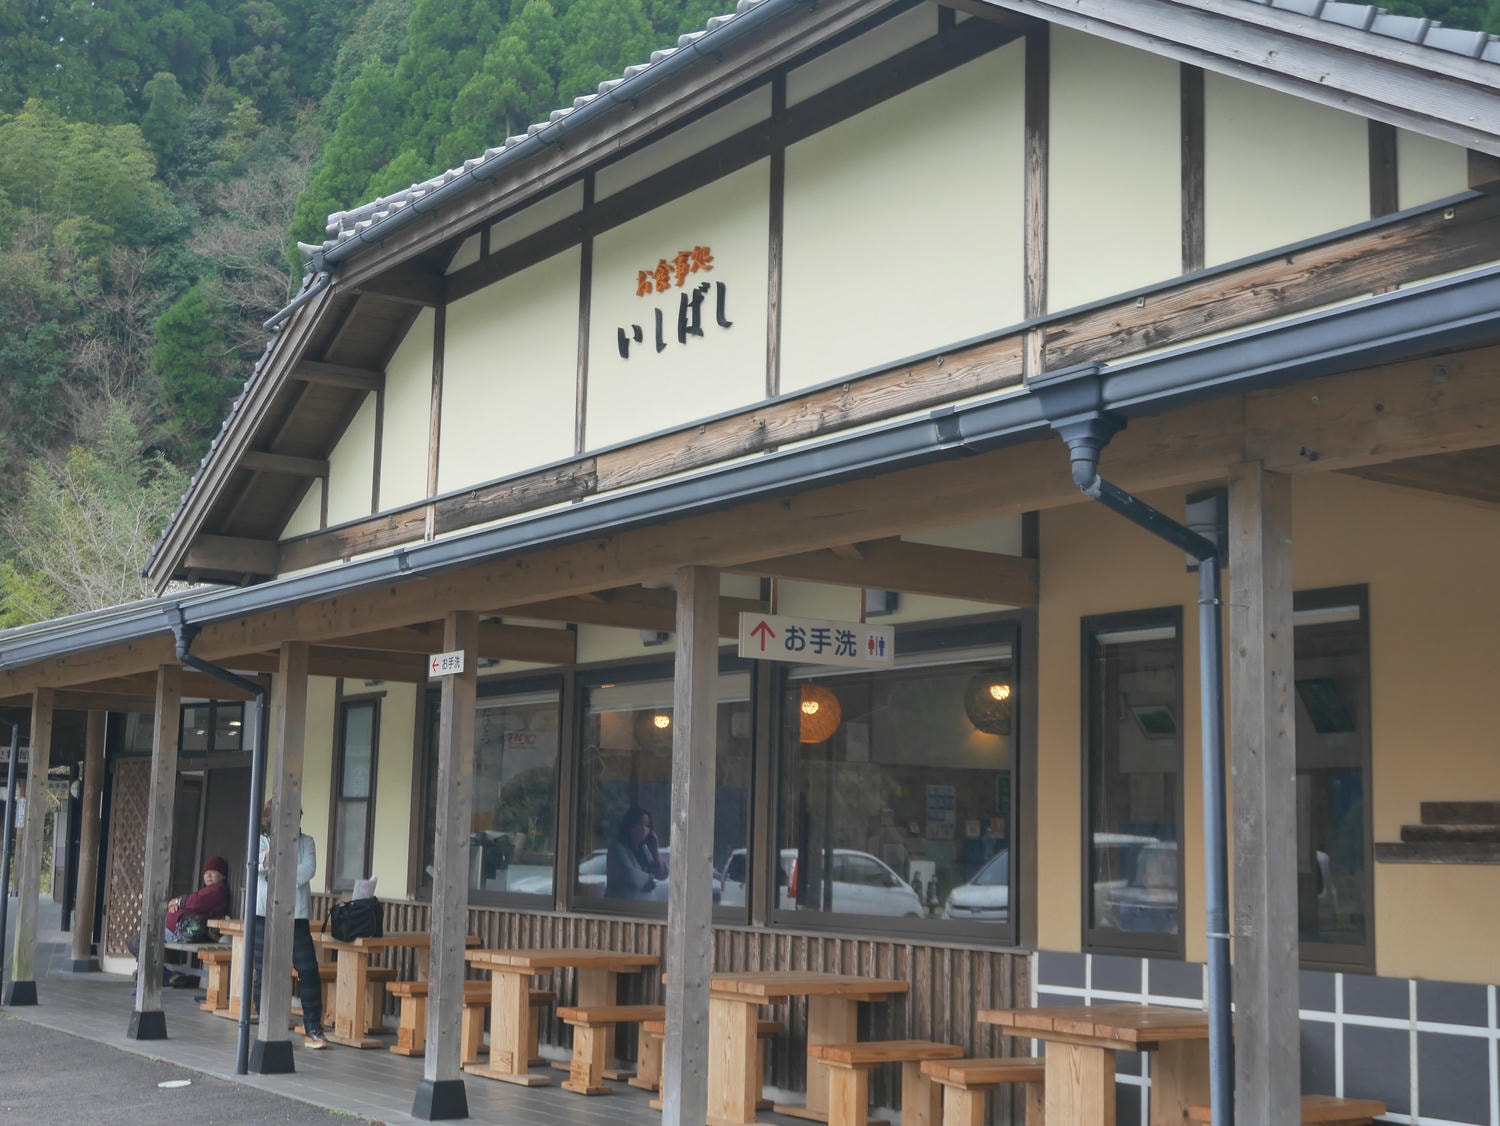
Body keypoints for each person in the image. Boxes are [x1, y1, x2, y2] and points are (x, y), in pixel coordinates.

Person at [252, 800, 327, 1048]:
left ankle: (313, 1026)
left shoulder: (306, 842)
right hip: (265, 912)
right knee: (264, 967)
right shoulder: (261, 841)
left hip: (297, 914)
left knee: (308, 969)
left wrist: (274, 870)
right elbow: (256, 868)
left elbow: (308, 870)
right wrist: (269, 862)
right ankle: (266, 1019)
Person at [127, 855, 232, 985]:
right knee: (138, 941)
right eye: (206, 872)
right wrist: (176, 905)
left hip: (183, 933)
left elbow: (196, 902)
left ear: (223, 876)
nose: (209, 875)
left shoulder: (217, 890)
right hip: (175, 930)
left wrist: (178, 901)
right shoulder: (207, 890)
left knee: (138, 941)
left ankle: (158, 973)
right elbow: (193, 902)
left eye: (214, 871)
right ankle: (160, 972)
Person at [605, 805, 668, 898]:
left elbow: (662, 875)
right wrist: (651, 877)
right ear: (629, 826)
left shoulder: (645, 851)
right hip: (623, 907)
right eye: (639, 824)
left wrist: (655, 852)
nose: (643, 829)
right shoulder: (617, 848)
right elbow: (631, 877)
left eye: (647, 825)